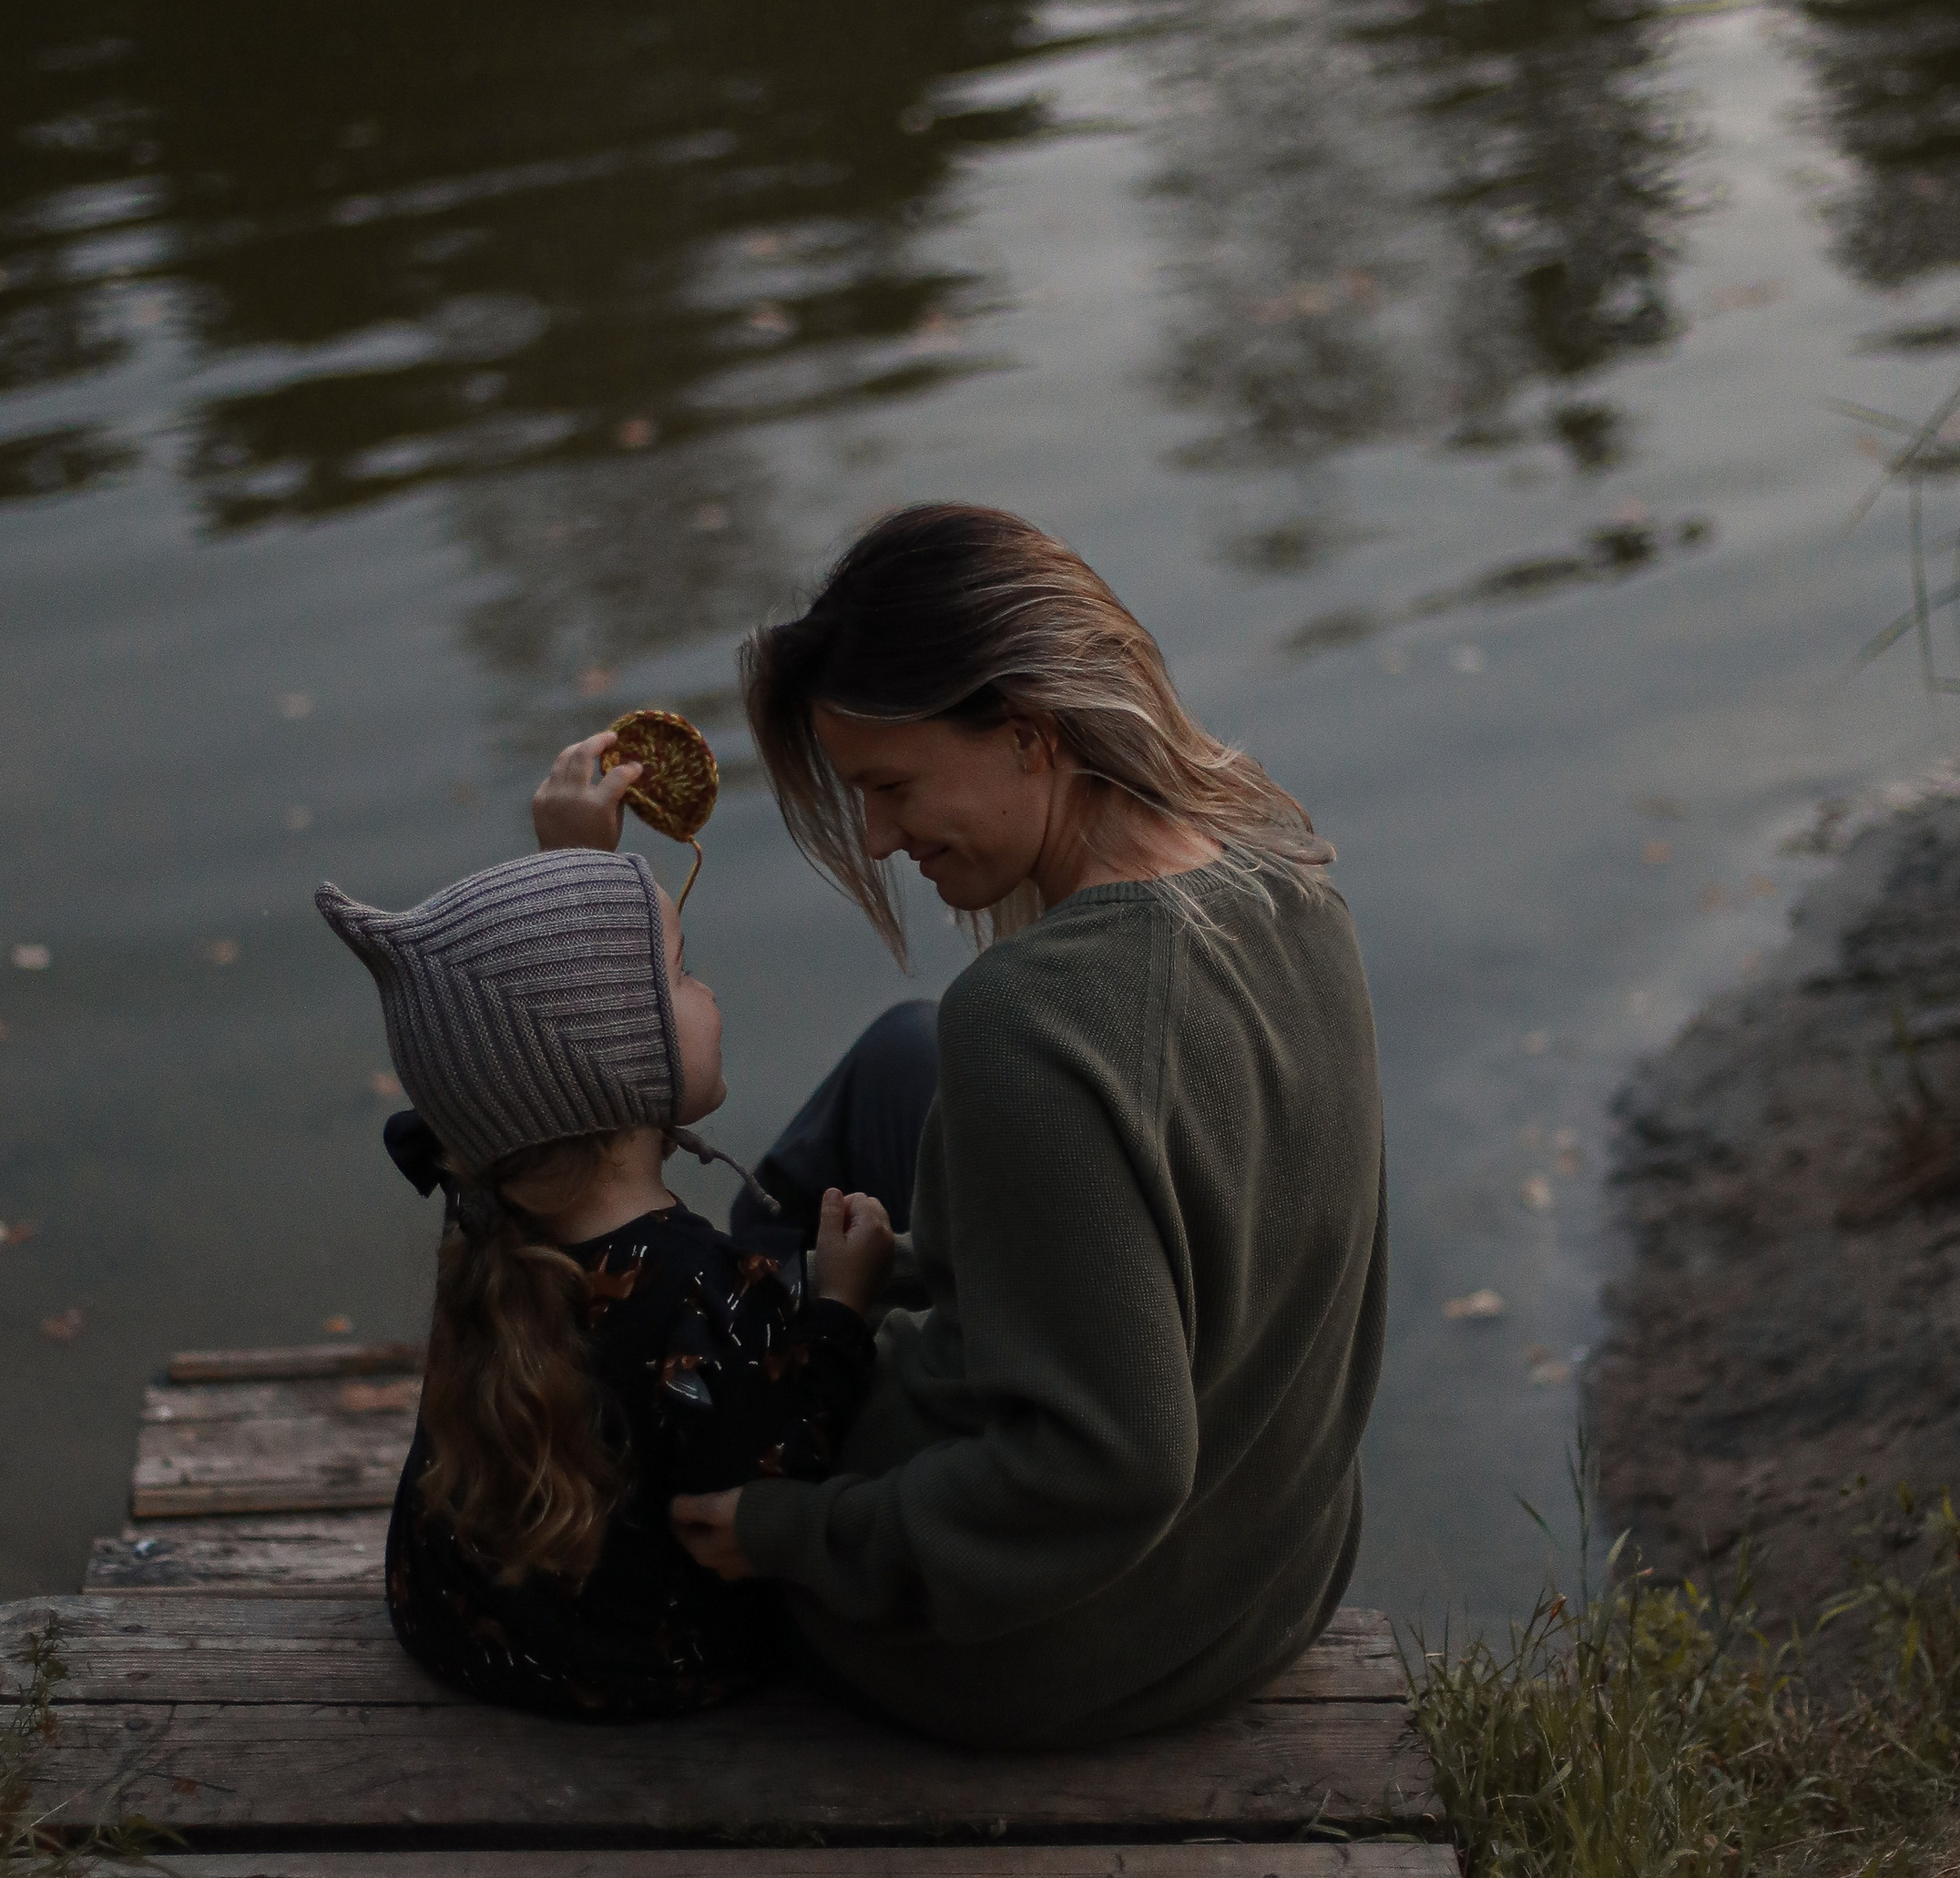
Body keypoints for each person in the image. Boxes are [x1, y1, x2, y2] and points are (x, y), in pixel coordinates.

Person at [547, 504, 1388, 1749]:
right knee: (905, 1057)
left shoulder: (1032, 1021)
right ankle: (810, 1309)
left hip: (1038, 1655)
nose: (880, 840)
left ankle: (755, 1374)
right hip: (1260, 1589)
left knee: (658, 1307)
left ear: (1029, 736)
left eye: (893, 787)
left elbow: (1109, 1470)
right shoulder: (1290, 886)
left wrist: (792, 1533)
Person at [316, 849, 893, 1719]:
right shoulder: (702, 1288)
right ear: (614, 1059)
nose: (708, 992)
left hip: (458, 1631)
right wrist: (843, 1309)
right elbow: (781, 1483)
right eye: (683, 971)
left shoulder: (483, 1228)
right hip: (647, 1669)